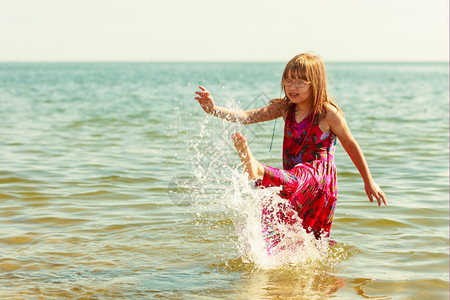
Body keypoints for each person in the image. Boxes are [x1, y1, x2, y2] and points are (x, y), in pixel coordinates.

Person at [194, 53, 387, 253]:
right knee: (283, 217)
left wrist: (368, 180)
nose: (292, 87)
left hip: (318, 180)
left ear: (315, 84)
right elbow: (246, 116)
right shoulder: (284, 107)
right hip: (293, 177)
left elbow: (350, 143)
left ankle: (257, 167)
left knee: (313, 231)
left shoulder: (328, 113)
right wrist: (213, 109)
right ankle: (277, 262)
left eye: (300, 82)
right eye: (288, 81)